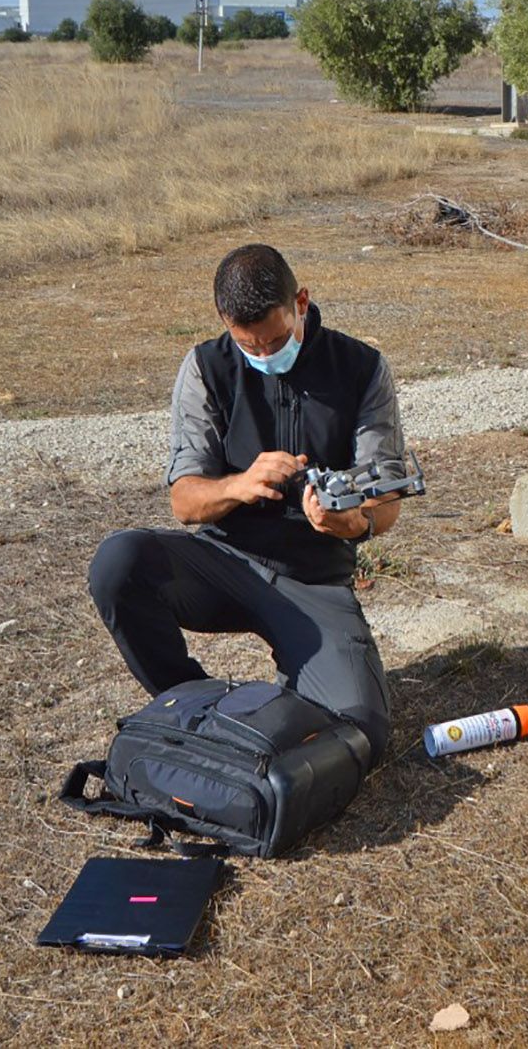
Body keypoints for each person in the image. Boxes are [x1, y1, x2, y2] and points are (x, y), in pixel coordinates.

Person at [86, 243, 403, 761]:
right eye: (247, 346)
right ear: (223, 321)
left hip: (313, 579)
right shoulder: (206, 367)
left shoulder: (361, 368)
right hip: (224, 567)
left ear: (301, 301)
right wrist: (236, 485)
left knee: (362, 731)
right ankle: (191, 704)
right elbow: (185, 503)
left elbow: (386, 499)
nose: (262, 355)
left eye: (276, 340)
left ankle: (291, 691)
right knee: (118, 563)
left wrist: (350, 523)